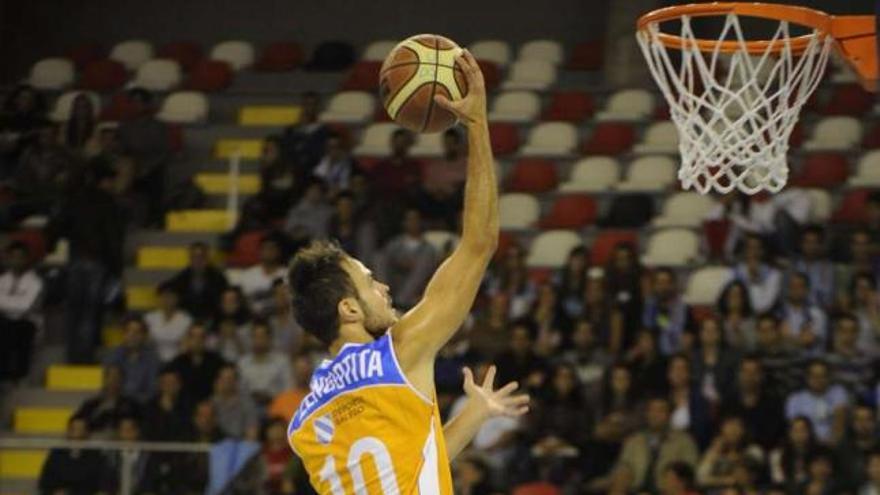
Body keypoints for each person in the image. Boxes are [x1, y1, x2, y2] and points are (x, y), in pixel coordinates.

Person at [286, 52, 529, 493]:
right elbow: (479, 244)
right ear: (349, 309)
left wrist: (472, 415)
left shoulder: (306, 419)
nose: (383, 288)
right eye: (369, 282)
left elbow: (409, 468)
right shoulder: (399, 353)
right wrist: (476, 124)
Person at [51, 158, 126, 363]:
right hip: (98, 262)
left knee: (75, 310)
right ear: (104, 181)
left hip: (75, 259)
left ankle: (72, 354)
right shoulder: (108, 202)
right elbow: (113, 239)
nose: (113, 185)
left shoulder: (74, 198)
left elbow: (59, 226)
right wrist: (117, 269)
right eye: (111, 181)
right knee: (90, 312)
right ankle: (84, 356)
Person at [608, 396, 699, 495]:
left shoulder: (684, 441)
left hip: (665, 491)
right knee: (621, 476)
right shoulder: (634, 440)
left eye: (661, 410)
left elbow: (688, 473)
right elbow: (622, 464)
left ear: (669, 414)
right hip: (635, 490)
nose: (655, 414)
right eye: (652, 410)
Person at [116, 88, 172, 227]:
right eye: (133, 102)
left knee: (155, 179)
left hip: (152, 168)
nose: (136, 106)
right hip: (130, 166)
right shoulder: (124, 126)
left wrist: (147, 168)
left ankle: (153, 220)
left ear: (147, 104)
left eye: (139, 102)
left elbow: (163, 152)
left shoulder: (158, 126)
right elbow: (122, 150)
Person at [375, 208, 438, 310]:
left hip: (414, 288)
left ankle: (400, 303)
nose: (413, 223)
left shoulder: (428, 248)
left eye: (415, 220)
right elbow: (385, 260)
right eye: (409, 220)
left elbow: (429, 269)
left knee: (425, 258)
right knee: (378, 256)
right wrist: (399, 262)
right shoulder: (395, 243)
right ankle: (383, 297)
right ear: (404, 223)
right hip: (394, 280)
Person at [720, 356, 785, 450]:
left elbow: (773, 436)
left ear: (761, 375)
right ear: (739, 375)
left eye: (754, 372)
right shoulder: (728, 403)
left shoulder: (773, 404)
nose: (749, 376)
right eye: (745, 372)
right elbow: (722, 431)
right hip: (731, 451)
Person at [0, 241, 43, 383]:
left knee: (17, 328)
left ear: (26, 259)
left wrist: (5, 303)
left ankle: (19, 375)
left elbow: (25, 306)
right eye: (12, 257)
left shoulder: (35, 282)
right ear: (7, 259)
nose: (16, 261)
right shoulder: (2, 280)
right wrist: (13, 303)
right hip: (5, 322)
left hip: (27, 323)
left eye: (20, 257)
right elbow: (18, 305)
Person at [38, 415, 110, 495]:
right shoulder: (57, 454)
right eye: (74, 429)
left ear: (87, 433)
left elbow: (104, 482)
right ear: (68, 431)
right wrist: (54, 492)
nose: (77, 434)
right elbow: (45, 482)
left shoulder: (96, 456)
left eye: (80, 430)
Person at [785, 359, 850, 444]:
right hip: (806, 444)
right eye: (814, 376)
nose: (818, 380)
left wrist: (831, 442)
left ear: (829, 377)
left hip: (833, 444)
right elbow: (795, 429)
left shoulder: (838, 392)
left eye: (822, 376)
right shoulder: (795, 399)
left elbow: (840, 423)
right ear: (807, 378)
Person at [696, 415, 764, 489]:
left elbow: (749, 476)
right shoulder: (715, 451)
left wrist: (736, 460)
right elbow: (700, 479)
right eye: (729, 425)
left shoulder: (753, 450)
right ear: (721, 429)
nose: (733, 430)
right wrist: (714, 452)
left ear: (744, 430)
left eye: (737, 425)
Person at [417, 127, 467, 227]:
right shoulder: (436, 164)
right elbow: (427, 183)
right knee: (419, 194)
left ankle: (447, 227)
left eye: (452, 143)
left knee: (456, 198)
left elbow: (464, 182)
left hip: (453, 198)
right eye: (446, 143)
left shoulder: (465, 164)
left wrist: (447, 191)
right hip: (434, 197)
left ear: (458, 145)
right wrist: (436, 191)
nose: (449, 147)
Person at [103, 315, 161, 403]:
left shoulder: (153, 359)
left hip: (142, 406)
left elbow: (151, 392)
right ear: (123, 334)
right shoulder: (113, 355)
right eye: (128, 331)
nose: (132, 335)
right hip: (116, 405)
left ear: (144, 335)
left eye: (137, 332)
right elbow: (107, 388)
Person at [165, 242, 228, 320]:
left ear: (207, 258)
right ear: (190, 258)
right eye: (194, 257)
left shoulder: (218, 277)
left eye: (201, 256)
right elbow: (164, 288)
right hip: (186, 318)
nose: (198, 260)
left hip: (212, 318)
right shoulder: (182, 277)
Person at [74, 365, 140, 436]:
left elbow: (138, 425)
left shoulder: (131, 405)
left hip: (120, 442)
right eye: (109, 377)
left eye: (116, 378)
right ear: (104, 380)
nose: (112, 381)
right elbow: (76, 420)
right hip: (92, 441)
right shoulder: (91, 404)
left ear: (122, 381)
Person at [237, 320, 293, 404]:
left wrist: (272, 397)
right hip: (249, 408)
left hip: (276, 406)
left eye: (262, 336)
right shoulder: (242, 363)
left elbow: (289, 388)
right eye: (255, 336)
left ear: (269, 338)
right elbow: (239, 391)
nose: (259, 340)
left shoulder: (282, 361)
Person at [168, 322, 227, 403]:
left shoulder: (216, 361)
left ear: (206, 339)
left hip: (211, 407)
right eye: (193, 336)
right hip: (184, 406)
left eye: (201, 337)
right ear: (188, 339)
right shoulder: (178, 362)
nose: (198, 340)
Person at [642, 268, 694, 355]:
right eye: (659, 283)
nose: (663, 287)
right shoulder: (649, 307)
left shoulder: (684, 308)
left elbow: (689, 334)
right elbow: (646, 330)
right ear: (654, 286)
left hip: (677, 354)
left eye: (667, 283)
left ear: (673, 284)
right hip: (653, 356)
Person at [281, 91, 331, 177]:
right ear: (302, 106)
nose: (310, 108)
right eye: (307, 104)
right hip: (295, 174)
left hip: (315, 174)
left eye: (313, 104)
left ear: (318, 107)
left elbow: (322, 154)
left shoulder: (324, 131)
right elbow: (286, 153)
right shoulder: (291, 130)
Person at [729, 234, 782, 314]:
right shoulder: (733, 273)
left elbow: (763, 306)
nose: (753, 252)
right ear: (745, 251)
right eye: (750, 248)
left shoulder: (774, 274)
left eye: (757, 248)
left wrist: (754, 278)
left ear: (762, 251)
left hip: (762, 318)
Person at [778, 272, 827, 355]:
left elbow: (808, 341)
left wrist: (788, 339)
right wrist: (799, 339)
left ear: (807, 290)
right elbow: (776, 341)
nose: (795, 289)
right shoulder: (779, 312)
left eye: (799, 286)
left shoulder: (817, 314)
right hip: (784, 359)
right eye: (792, 286)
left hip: (809, 360)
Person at [238, 234, 286, 317]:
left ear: (279, 251)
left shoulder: (287, 274)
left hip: (280, 319)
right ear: (260, 251)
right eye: (266, 248)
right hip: (254, 321)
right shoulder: (248, 275)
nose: (269, 252)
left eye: (272, 248)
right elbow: (243, 302)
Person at [826, 313, 873, 398]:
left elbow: (866, 387)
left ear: (858, 333)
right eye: (844, 330)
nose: (848, 335)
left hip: (860, 404)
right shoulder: (827, 360)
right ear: (837, 332)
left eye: (852, 331)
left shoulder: (866, 360)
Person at [144, 282, 193, 362]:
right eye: (164, 296)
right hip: (153, 361)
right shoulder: (149, 318)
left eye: (170, 296)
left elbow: (186, 347)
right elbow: (146, 344)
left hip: (178, 361)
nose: (167, 299)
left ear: (177, 298)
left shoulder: (186, 320)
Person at [141, 366, 192, 442]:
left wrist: (170, 410)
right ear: (159, 385)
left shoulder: (188, 406)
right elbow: (148, 433)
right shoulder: (150, 407)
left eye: (173, 383)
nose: (169, 387)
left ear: (179, 385)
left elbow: (186, 432)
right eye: (165, 383)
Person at [211, 364, 260, 440]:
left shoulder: (247, 404)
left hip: (240, 447)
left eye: (230, 379)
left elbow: (252, 434)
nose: (227, 382)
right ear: (217, 381)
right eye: (223, 379)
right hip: (215, 446)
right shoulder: (211, 403)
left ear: (236, 382)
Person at [838, 403, 880, 491]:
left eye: (868, 419)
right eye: (859, 420)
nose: (863, 424)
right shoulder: (843, 449)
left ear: (874, 422)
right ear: (853, 423)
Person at [790, 226, 835, 308]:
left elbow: (828, 297)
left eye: (814, 242)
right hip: (796, 308)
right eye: (807, 242)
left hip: (819, 310)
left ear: (820, 245)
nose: (811, 246)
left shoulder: (827, 267)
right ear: (801, 244)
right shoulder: (794, 266)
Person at [770, 416, 818, 490]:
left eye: (803, 430)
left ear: (810, 432)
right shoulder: (777, 455)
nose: (799, 434)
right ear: (789, 433)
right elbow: (778, 480)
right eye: (795, 430)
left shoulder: (817, 454)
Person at [283, 177, 333, 241]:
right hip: (302, 246)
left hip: (324, 246)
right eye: (313, 189)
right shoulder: (296, 211)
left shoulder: (328, 211)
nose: (315, 193)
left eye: (318, 190)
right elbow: (290, 232)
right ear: (306, 191)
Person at [312, 132, 359, 197]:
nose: (333, 150)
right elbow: (317, 180)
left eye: (336, 147)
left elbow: (346, 185)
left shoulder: (349, 163)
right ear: (326, 148)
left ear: (341, 148)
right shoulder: (320, 161)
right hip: (321, 196)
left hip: (341, 197)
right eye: (330, 147)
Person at [268, 354, 313, 420]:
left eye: (305, 369)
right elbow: (275, 427)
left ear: (311, 371)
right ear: (293, 372)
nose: (303, 373)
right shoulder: (281, 401)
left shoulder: (321, 399)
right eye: (299, 369)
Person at [716, 280, 757, 351]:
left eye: (737, 295)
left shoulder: (751, 321)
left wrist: (737, 332)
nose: (734, 299)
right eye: (730, 295)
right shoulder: (717, 320)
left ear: (743, 299)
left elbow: (752, 347)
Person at [262, 418, 295, 494]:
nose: (276, 431)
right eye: (273, 428)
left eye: (279, 428)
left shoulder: (293, 453)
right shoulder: (260, 453)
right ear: (267, 431)